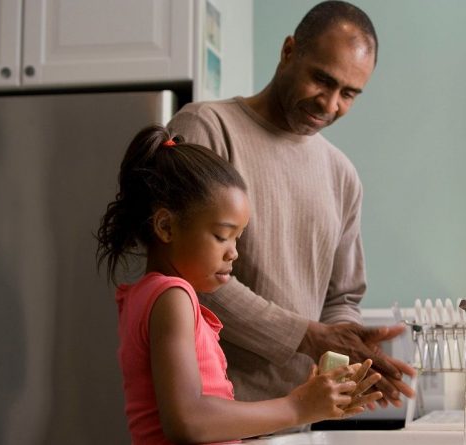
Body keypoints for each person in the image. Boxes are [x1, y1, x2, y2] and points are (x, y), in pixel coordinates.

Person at [168, 0, 416, 409]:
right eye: (322, 79)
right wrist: (307, 335)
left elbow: (342, 298)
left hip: (296, 418)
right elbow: (186, 272)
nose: (330, 104)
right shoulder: (206, 129)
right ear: (288, 52)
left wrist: (348, 350)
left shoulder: (342, 175)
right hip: (211, 415)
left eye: (349, 94)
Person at [96, 125, 382, 444]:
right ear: (166, 226)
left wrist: (313, 405)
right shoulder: (172, 297)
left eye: (238, 237)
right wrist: (297, 407)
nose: (234, 252)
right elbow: (188, 420)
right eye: (222, 235)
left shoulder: (149, 295)